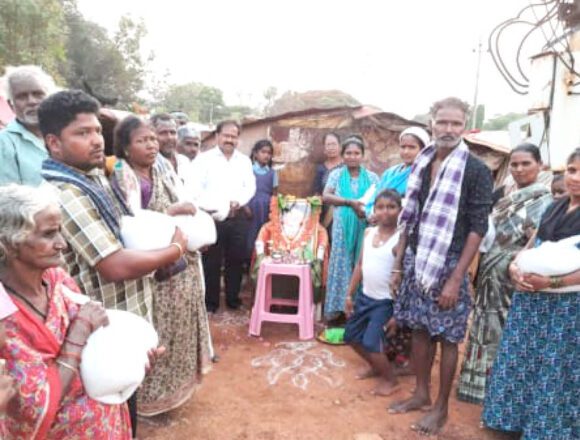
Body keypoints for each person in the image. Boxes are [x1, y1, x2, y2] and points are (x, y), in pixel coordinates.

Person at [37, 90, 188, 437]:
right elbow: (113, 265)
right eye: (81, 133)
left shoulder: (93, 179)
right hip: (99, 336)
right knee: (107, 415)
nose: (95, 141)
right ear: (53, 143)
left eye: (96, 131)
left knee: (123, 416)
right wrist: (174, 250)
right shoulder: (65, 193)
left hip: (122, 326)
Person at [388, 97, 493, 436]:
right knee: (419, 329)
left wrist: (456, 278)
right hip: (418, 259)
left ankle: (441, 407)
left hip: (450, 263)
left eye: (456, 124)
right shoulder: (423, 159)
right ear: (432, 122)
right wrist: (400, 263)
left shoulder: (475, 170)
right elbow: (410, 214)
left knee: (447, 337)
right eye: (443, 122)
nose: (448, 130)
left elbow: (478, 226)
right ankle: (421, 393)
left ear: (464, 126)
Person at [0, 184, 133, 438]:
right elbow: (33, 407)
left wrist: (130, 361)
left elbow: (97, 346)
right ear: (9, 243)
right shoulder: (5, 315)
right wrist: (78, 333)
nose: (62, 243)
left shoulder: (57, 280)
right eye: (48, 234)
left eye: (60, 231)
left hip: (104, 424)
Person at [110, 115, 211, 416]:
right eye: (143, 140)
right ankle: (150, 401)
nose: (152, 144)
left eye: (153, 139)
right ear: (126, 148)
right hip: (155, 271)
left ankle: (177, 391)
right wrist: (174, 210)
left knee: (180, 329)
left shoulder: (163, 169)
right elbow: (129, 224)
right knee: (159, 335)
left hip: (182, 264)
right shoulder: (124, 176)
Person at [482, 148, 580, 440]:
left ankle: (547, 430)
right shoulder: (556, 206)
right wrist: (515, 267)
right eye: (573, 170)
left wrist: (551, 283)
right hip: (531, 302)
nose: (576, 178)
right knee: (520, 361)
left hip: (568, 308)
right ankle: (513, 421)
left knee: (556, 368)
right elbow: (534, 244)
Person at [457, 143, 553, 404]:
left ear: (540, 165)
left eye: (526, 164)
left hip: (516, 274)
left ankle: (501, 390)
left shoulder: (545, 201)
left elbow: (538, 244)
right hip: (490, 272)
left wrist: (514, 262)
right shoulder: (503, 196)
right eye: (515, 164)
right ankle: (476, 387)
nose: (519, 169)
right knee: (483, 326)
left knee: (506, 331)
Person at [186, 120, 256, 313]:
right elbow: (194, 189)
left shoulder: (244, 161)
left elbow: (249, 187)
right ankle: (211, 302)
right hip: (213, 217)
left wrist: (238, 202)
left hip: (238, 216)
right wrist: (212, 207)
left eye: (234, 136)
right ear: (217, 136)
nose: (229, 140)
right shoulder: (203, 160)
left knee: (236, 259)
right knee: (212, 260)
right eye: (226, 135)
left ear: (238, 139)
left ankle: (233, 298)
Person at [344, 189, 401, 396]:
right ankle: (376, 366)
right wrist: (349, 295)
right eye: (380, 207)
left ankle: (390, 380)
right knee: (350, 336)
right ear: (374, 210)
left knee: (371, 342)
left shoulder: (401, 239)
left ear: (399, 210)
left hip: (385, 302)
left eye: (391, 207)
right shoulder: (368, 233)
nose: (385, 211)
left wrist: (398, 312)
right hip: (365, 297)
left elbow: (404, 277)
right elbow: (360, 265)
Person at [322, 135, 379, 324]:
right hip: (341, 228)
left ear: (363, 155)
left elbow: (377, 201)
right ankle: (337, 310)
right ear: (343, 155)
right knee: (341, 264)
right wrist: (349, 202)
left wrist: (367, 211)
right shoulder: (336, 175)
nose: (352, 156)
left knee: (362, 264)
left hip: (365, 226)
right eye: (348, 153)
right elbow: (326, 196)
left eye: (356, 153)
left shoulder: (372, 177)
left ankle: (358, 311)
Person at [0, 65, 56, 186]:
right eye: (22, 96)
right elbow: (8, 198)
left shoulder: (64, 133)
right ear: (11, 105)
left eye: (38, 94)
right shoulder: (4, 143)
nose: (32, 101)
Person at [245, 139, 278, 259]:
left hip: (266, 209)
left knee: (264, 236)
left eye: (269, 153)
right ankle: (248, 264)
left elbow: (275, 193)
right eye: (263, 152)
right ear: (255, 154)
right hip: (251, 209)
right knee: (250, 238)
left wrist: (273, 211)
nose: (266, 155)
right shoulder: (248, 170)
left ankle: (262, 263)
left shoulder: (273, 173)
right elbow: (242, 191)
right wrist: (245, 207)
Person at [313, 132, 344, 232]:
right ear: (324, 149)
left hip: (343, 211)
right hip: (326, 213)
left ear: (340, 146)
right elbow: (317, 191)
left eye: (334, 144)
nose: (331, 147)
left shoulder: (346, 167)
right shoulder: (320, 169)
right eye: (328, 145)